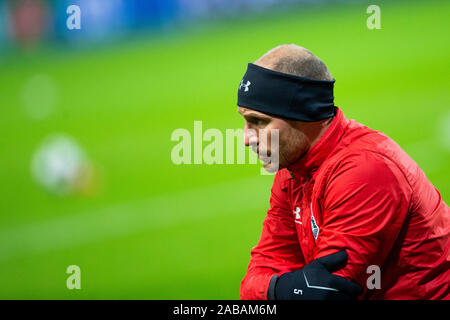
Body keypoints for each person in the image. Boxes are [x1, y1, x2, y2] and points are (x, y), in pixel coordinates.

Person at [237, 44, 449, 300]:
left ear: (303, 113)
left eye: (259, 121)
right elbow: (259, 273)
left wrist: (281, 289)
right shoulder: (292, 169)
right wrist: (280, 288)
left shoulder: (366, 170)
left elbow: (328, 291)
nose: (247, 138)